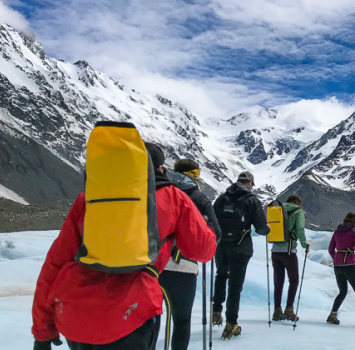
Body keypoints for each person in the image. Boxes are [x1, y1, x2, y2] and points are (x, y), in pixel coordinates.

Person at [32, 142, 217, 349]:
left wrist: (42, 331)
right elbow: (203, 250)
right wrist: (206, 227)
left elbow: (54, 265)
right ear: (159, 167)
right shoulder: (173, 198)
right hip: (132, 313)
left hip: (76, 314)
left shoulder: (89, 199)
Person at [159, 159, 222, 350]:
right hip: (183, 266)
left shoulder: (158, 191)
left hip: (152, 264)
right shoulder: (199, 198)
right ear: (195, 174)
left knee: (148, 319)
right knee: (181, 320)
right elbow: (216, 234)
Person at [212, 171, 270, 340]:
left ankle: (216, 312)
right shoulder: (251, 200)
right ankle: (231, 323)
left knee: (221, 276)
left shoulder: (222, 199)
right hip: (241, 248)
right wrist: (267, 229)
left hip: (221, 246)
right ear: (251, 182)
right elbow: (260, 228)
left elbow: (212, 221)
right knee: (235, 286)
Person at [271, 194, 310, 322]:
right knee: (293, 280)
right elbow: (299, 229)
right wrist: (304, 244)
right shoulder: (298, 212)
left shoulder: (278, 210)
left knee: (278, 281)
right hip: (289, 252)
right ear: (298, 203)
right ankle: (289, 309)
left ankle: (277, 311)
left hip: (275, 251)